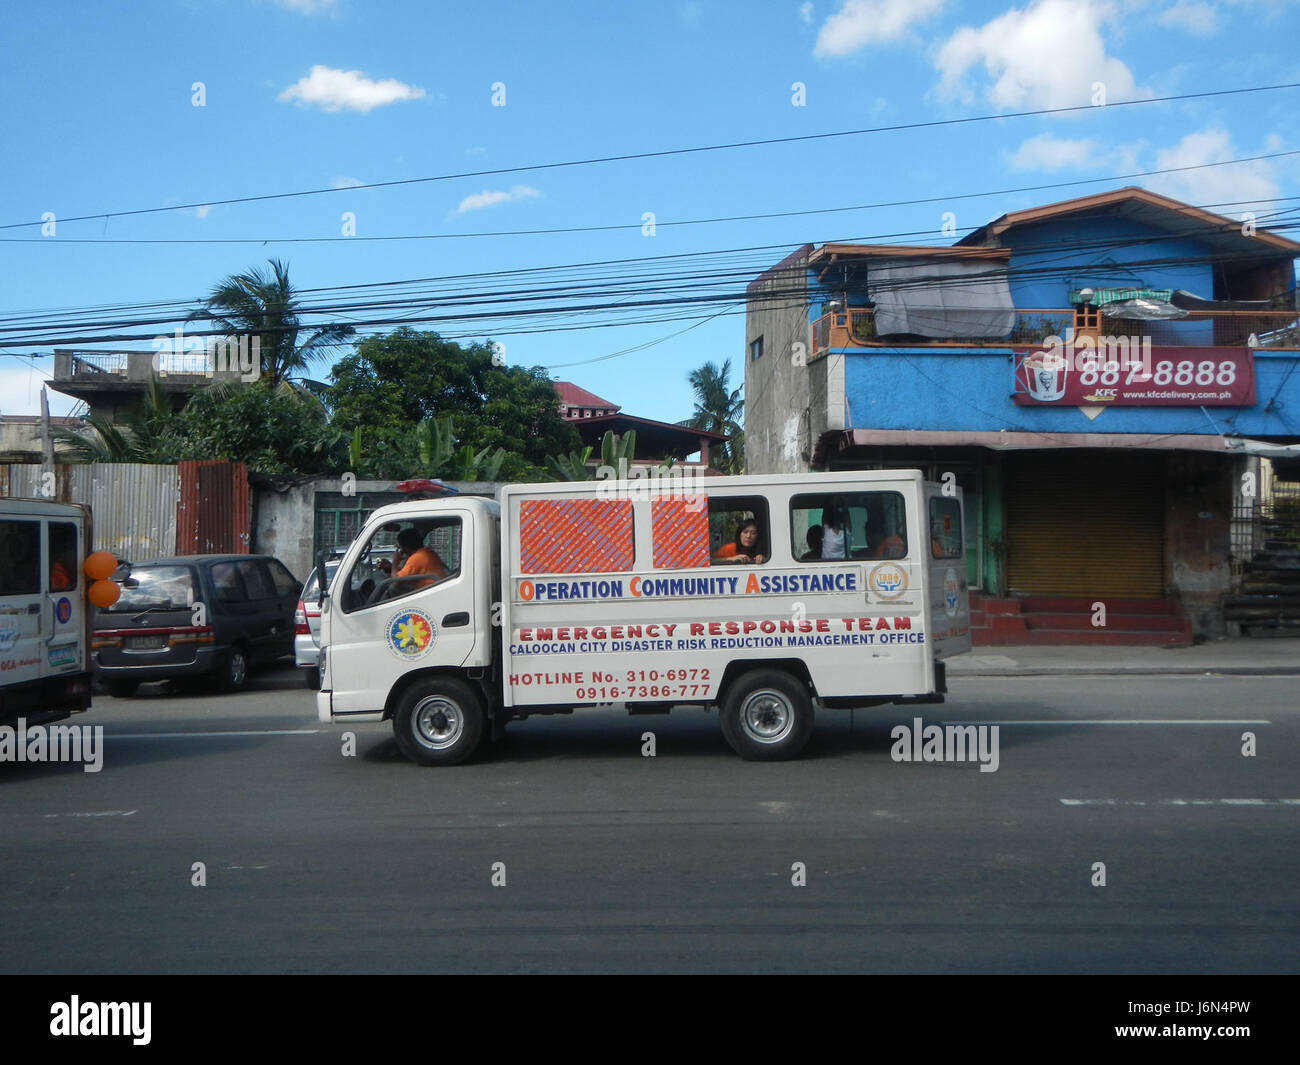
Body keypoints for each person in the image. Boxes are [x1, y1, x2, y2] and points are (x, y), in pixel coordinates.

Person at [380, 528, 448, 591]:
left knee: (392, 590)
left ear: (404, 548)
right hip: (432, 590)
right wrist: (390, 568)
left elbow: (396, 582)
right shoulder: (427, 553)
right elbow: (406, 576)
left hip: (428, 592)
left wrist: (395, 562)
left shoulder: (417, 558)